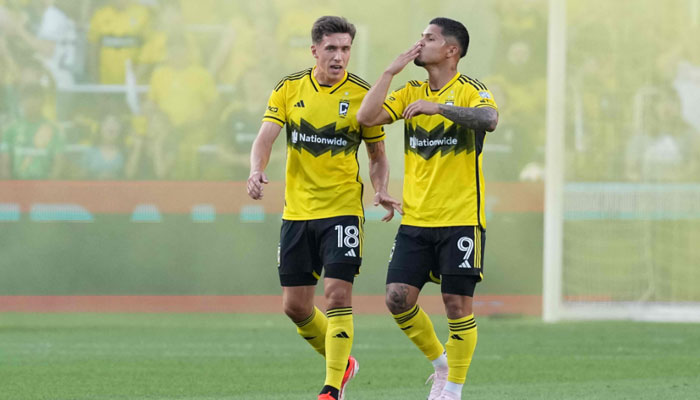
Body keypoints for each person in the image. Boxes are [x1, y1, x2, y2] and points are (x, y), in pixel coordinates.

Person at [246, 16, 401, 400]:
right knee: (296, 307)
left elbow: (377, 154)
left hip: (342, 210)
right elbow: (266, 136)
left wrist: (380, 188)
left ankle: (331, 389)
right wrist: (256, 170)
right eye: (331, 48)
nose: (339, 57)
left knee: (336, 294)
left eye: (345, 49)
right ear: (314, 50)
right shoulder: (289, 87)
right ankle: (344, 362)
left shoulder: (364, 95)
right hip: (297, 212)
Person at [357, 18, 499, 400]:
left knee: (456, 304)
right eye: (420, 36)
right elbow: (366, 118)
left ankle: (452, 391)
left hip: (462, 218)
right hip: (416, 218)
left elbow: (490, 120)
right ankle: (441, 365)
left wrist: (438, 108)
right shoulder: (409, 91)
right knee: (397, 298)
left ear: (451, 50)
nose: (420, 43)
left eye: (429, 38)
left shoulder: (471, 90)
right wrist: (389, 71)